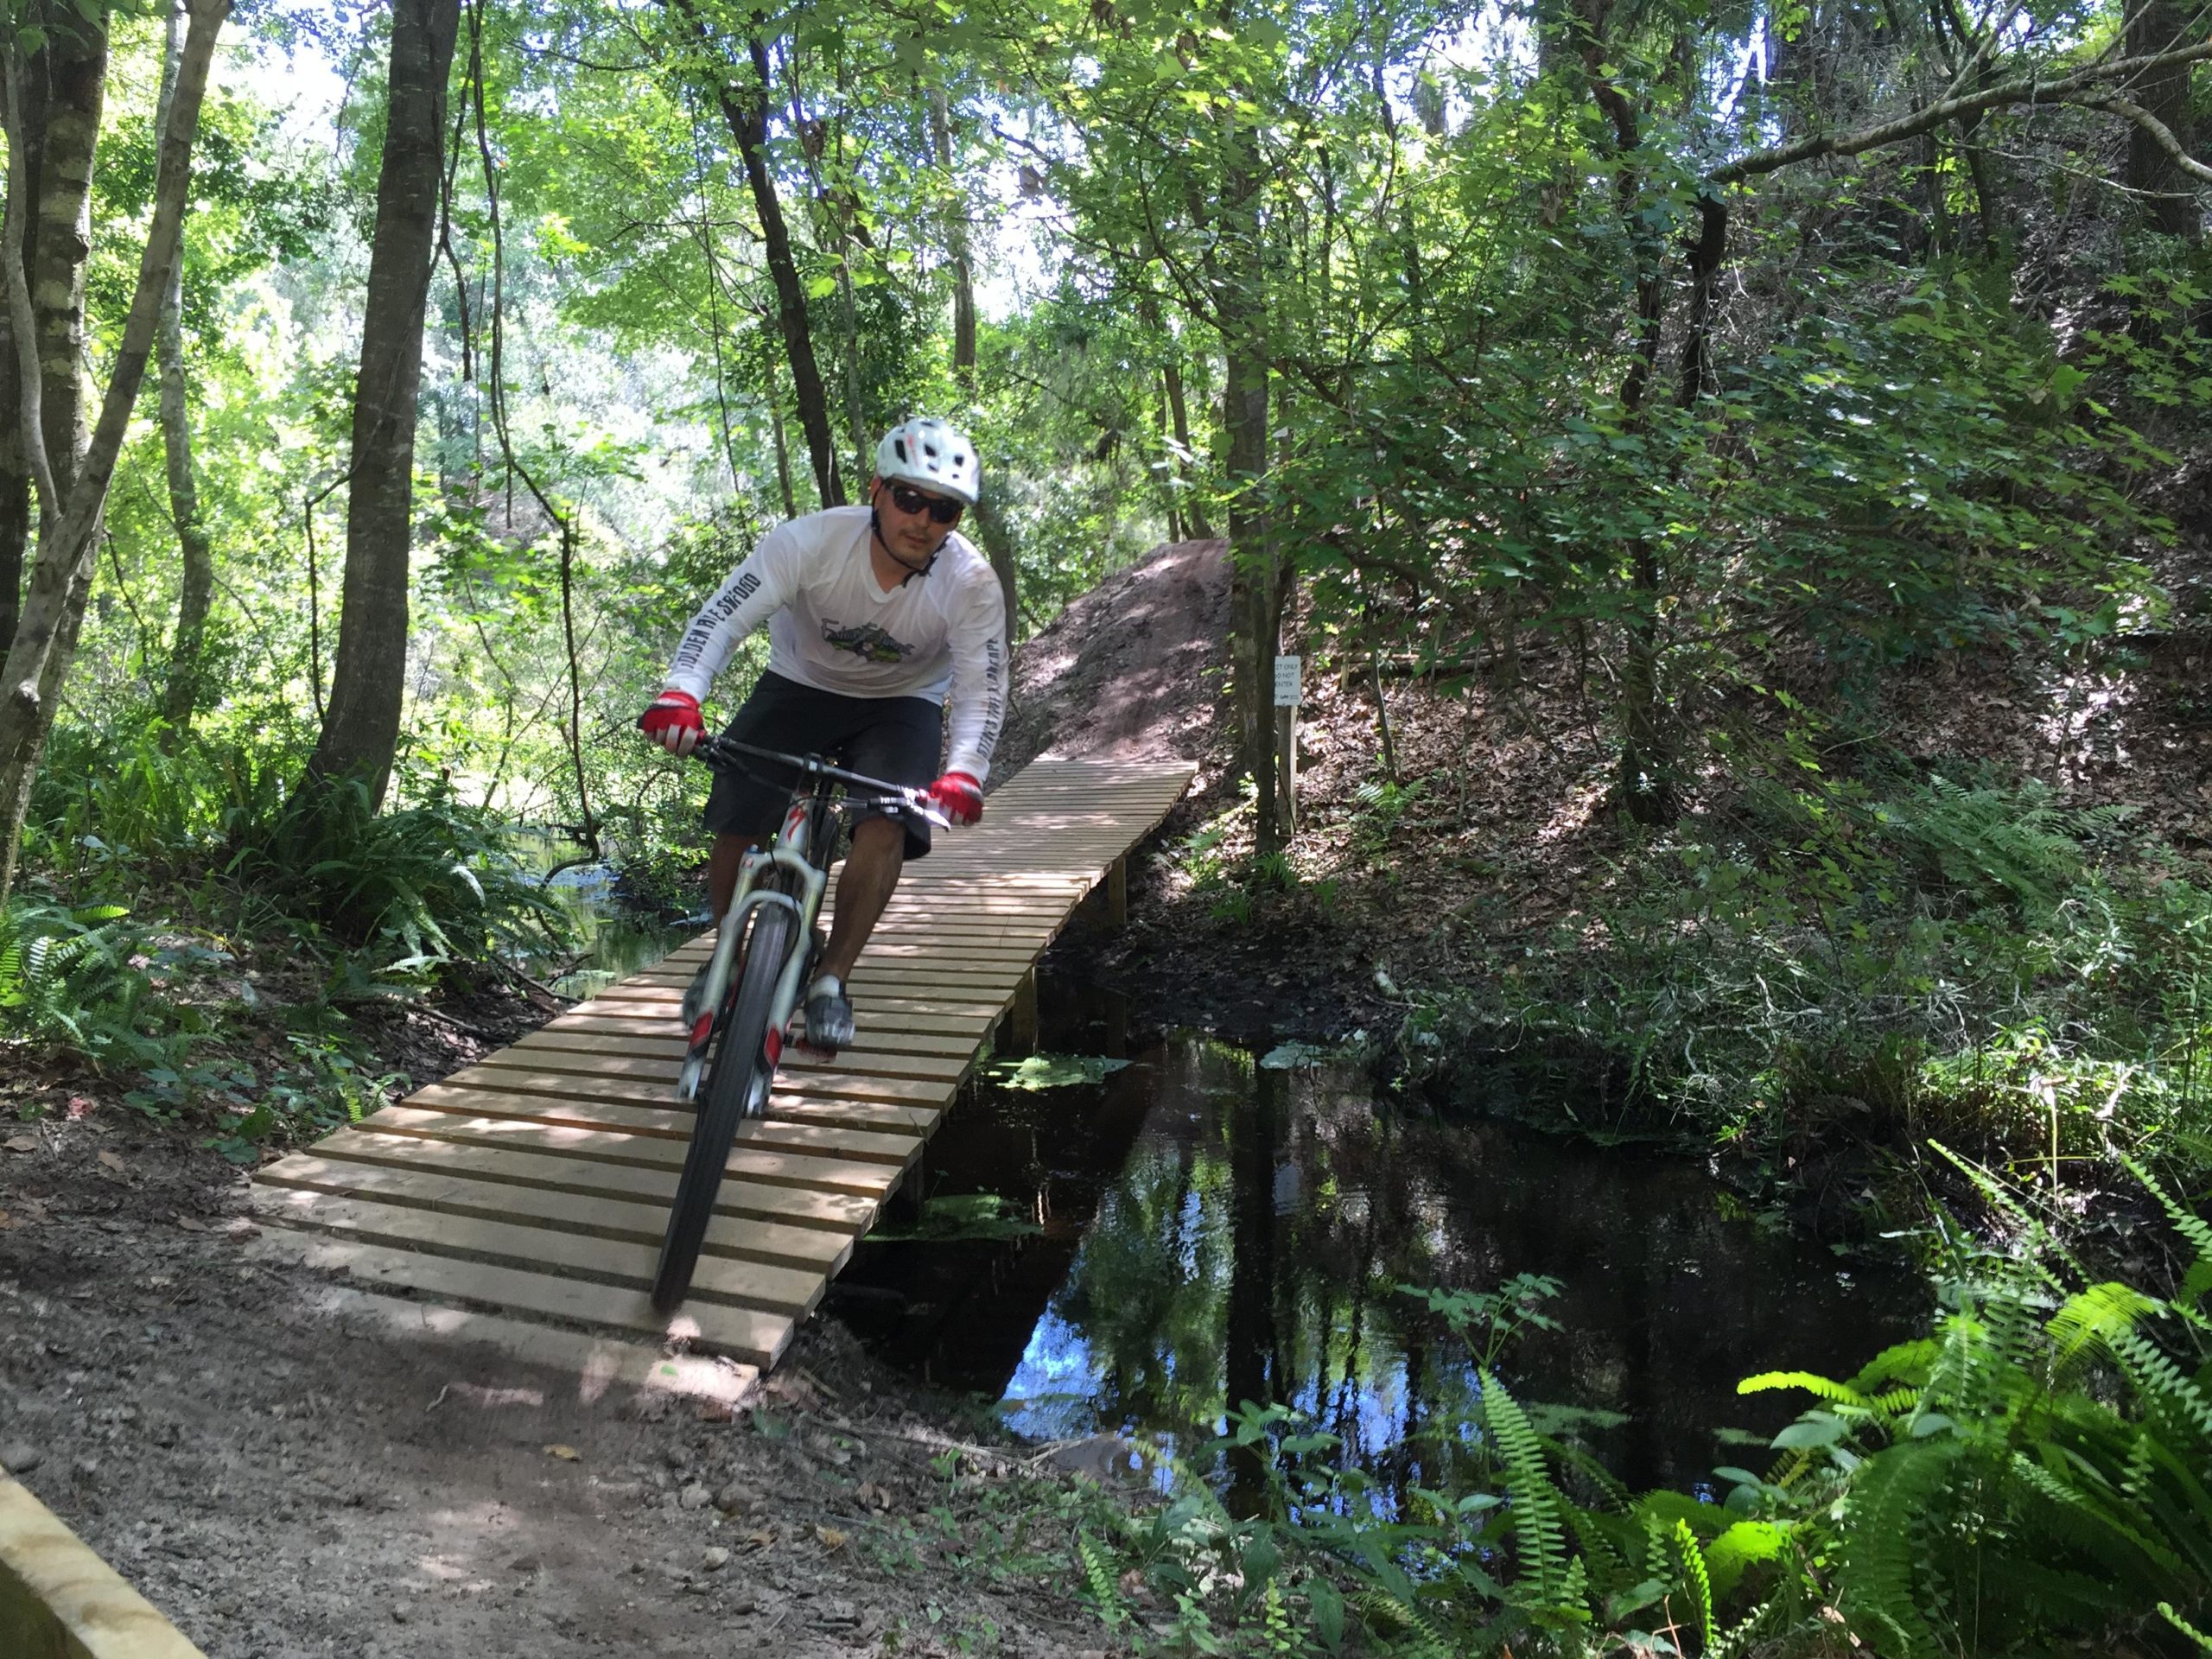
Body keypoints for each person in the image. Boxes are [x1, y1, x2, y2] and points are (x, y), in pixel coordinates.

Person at [637, 416, 1007, 1054]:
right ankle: (723, 953)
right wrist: (683, 693)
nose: (921, 519)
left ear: (956, 520)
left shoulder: (970, 584)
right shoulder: (809, 542)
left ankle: (832, 981)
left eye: (943, 509)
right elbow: (721, 620)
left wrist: (967, 769)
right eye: (909, 498)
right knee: (742, 808)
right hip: (800, 683)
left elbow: (983, 686)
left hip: (902, 703)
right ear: (877, 491)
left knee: (887, 823)